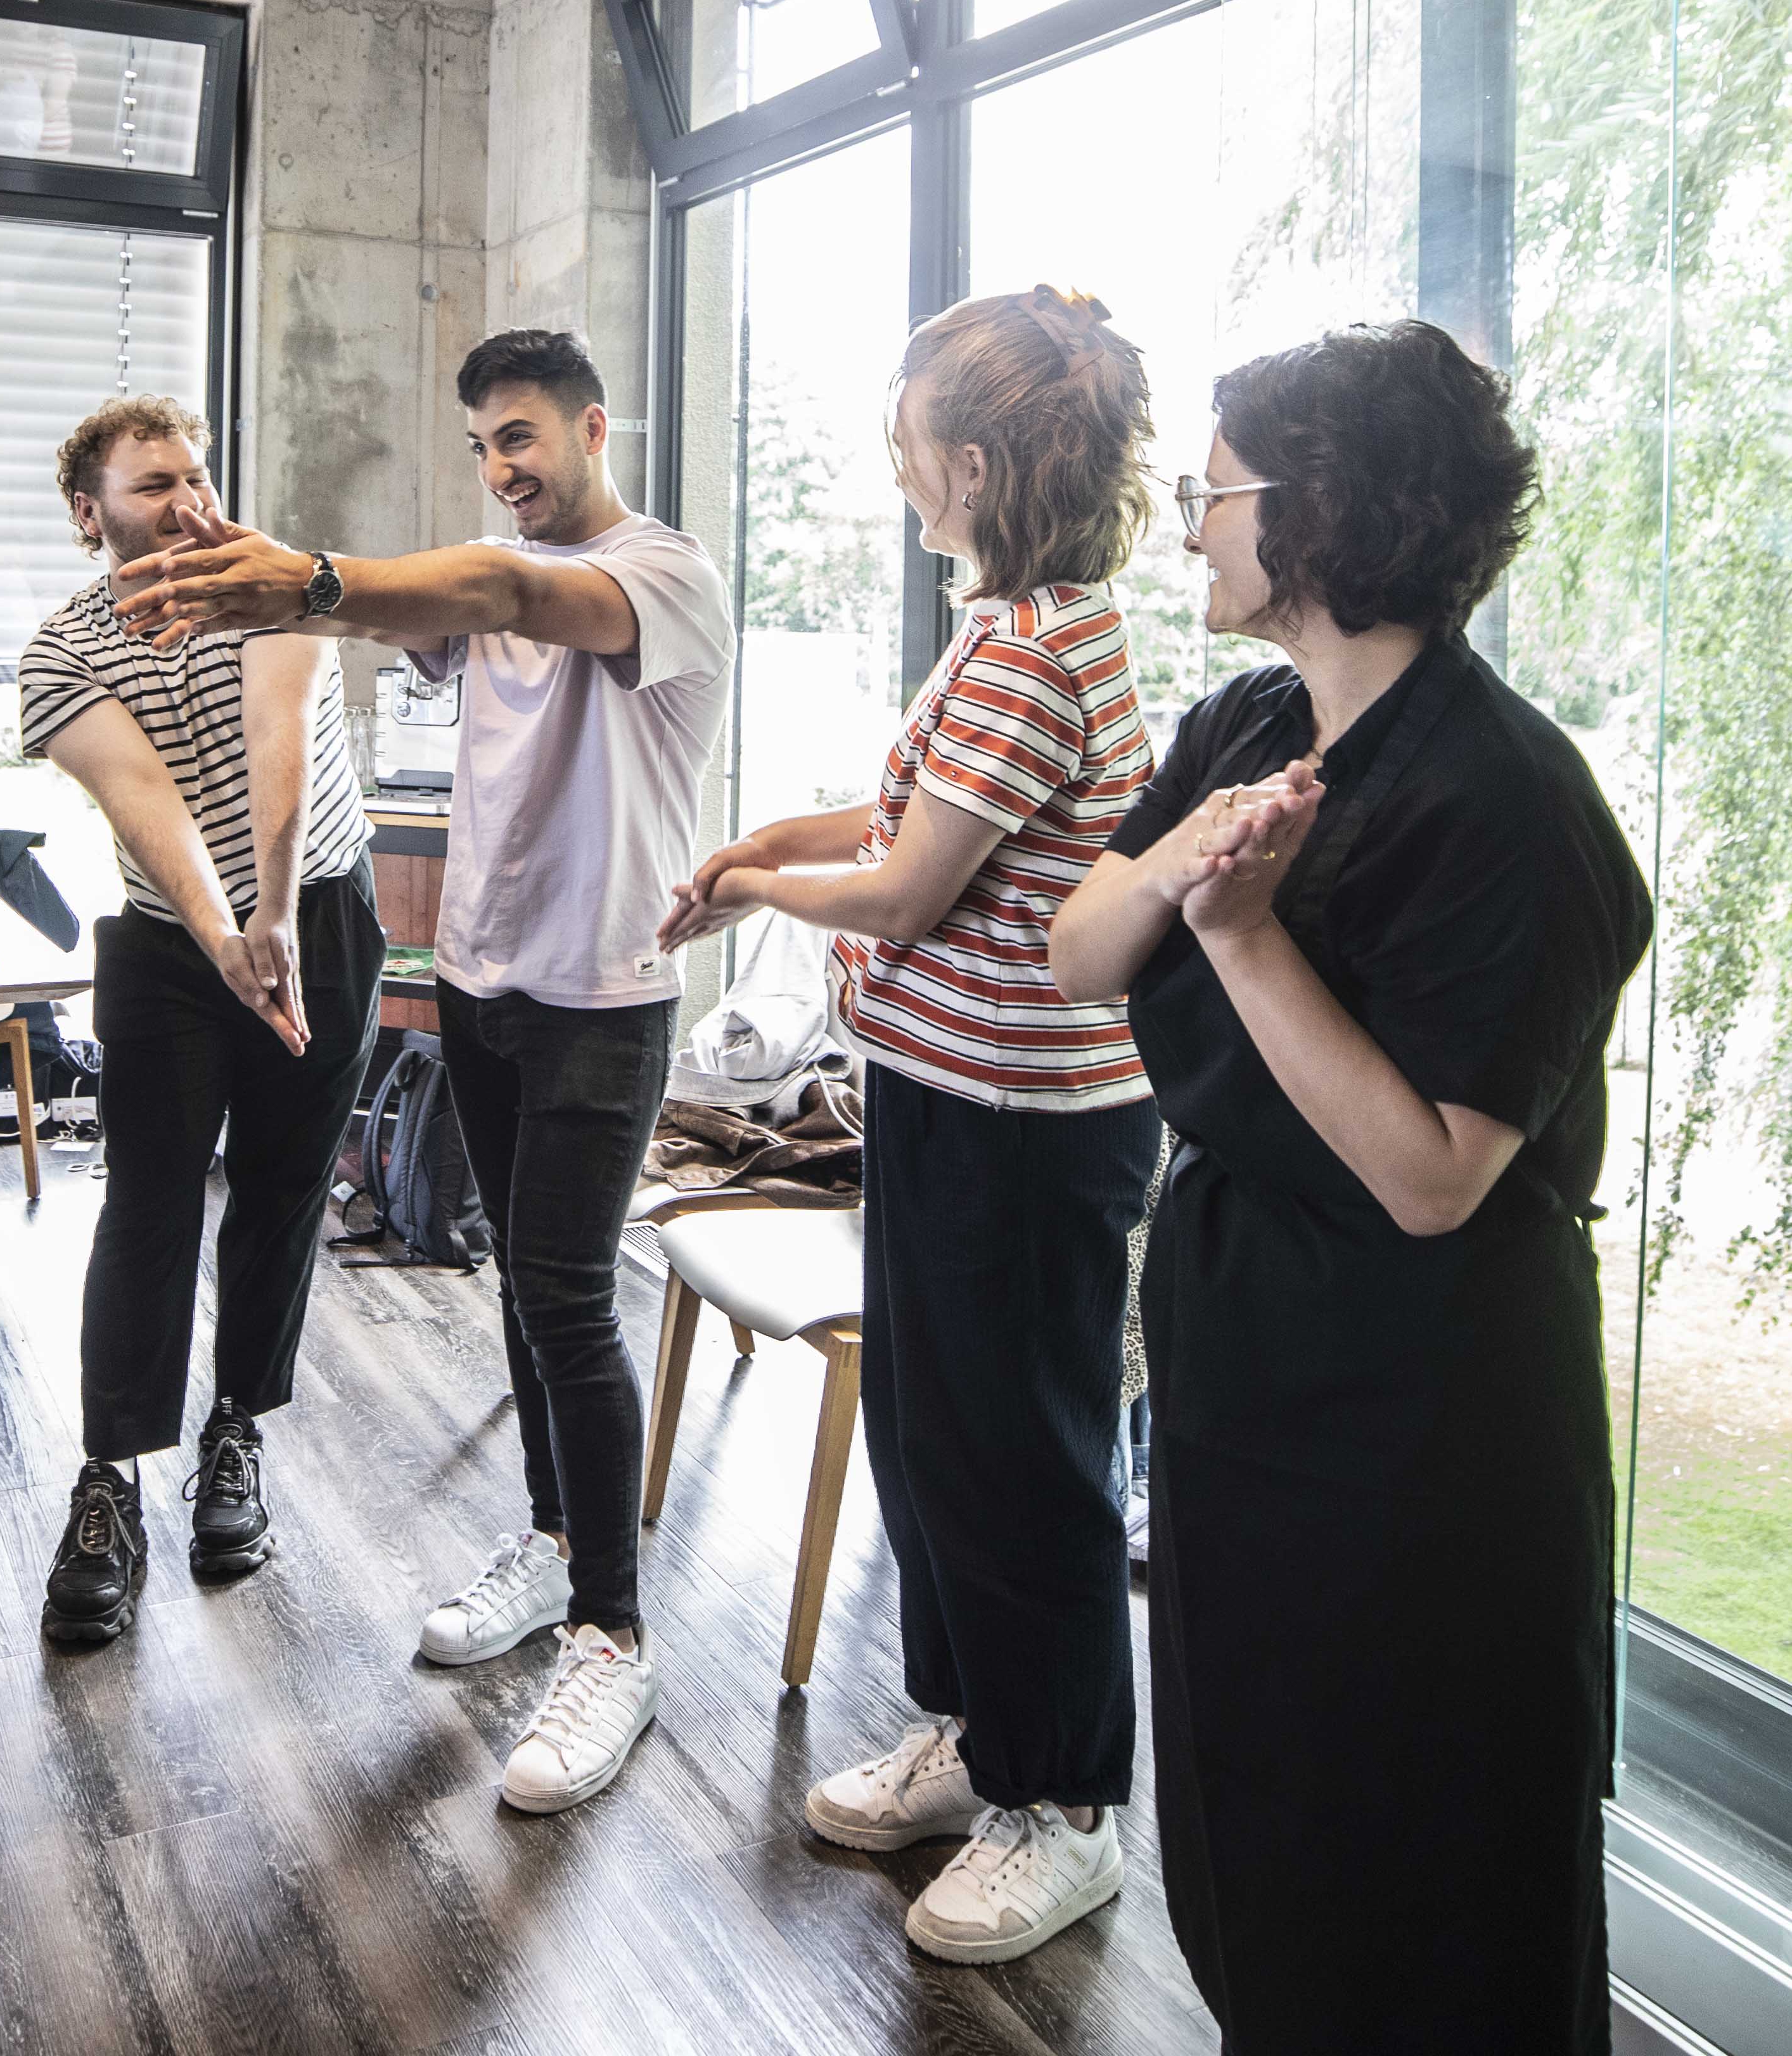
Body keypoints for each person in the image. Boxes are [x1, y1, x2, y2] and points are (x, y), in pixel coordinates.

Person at [1049, 322, 1647, 2052]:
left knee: (1420, 1881)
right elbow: (1082, 948)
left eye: (1211, 491)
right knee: (1255, 1845)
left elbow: (1428, 1177)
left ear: (1319, 513)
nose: (1183, 526)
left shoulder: (1511, 803)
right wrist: (1190, 862)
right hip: (1249, 1367)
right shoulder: (1247, 718)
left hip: (1420, 1416)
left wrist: (1233, 932)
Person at [119, 329, 732, 1815]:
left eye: (520, 436)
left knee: (569, 1296)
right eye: (480, 446)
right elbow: (439, 617)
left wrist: (310, 577)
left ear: (593, 427)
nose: (500, 469)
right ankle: (552, 1539)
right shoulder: (487, 558)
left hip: (600, 992)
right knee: (520, 1288)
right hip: (480, 971)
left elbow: (510, 595)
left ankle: (613, 1630)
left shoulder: (658, 575)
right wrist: (249, 562)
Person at [659, 287, 1161, 1962]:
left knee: (1021, 1466)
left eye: (898, 449)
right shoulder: (1000, 628)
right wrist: (751, 851)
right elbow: (889, 816)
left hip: (1026, 1122)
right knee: (935, 1439)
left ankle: (1063, 1805)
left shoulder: (1033, 655)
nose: (890, 475)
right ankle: (969, 1737)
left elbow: (898, 883)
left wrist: (754, 884)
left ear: (966, 463)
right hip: (948, 1102)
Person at [18, 396, 385, 1645]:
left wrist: (272, 917)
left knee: (286, 1187)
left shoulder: (272, 580)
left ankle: (235, 1431)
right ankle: (109, 1476)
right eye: (150, 485)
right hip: (168, 947)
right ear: (90, 514)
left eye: (194, 475)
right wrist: (226, 934)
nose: (185, 502)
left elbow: (277, 740)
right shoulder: (62, 648)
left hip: (320, 915)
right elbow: (147, 807)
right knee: (149, 1197)